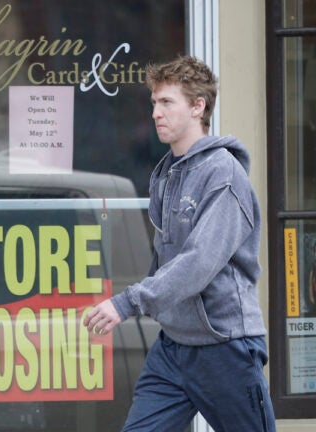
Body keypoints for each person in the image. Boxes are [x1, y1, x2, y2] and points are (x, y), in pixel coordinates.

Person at [82, 55, 276, 431]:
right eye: (154, 102)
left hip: (225, 346)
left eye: (167, 102)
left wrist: (128, 302)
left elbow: (199, 262)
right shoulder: (167, 174)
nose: (156, 112)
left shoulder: (223, 174)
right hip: (173, 347)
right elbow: (165, 257)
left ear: (198, 106)